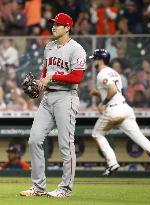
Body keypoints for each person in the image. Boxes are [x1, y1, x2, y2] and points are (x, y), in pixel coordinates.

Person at [20, 12, 86, 198]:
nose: (53, 26)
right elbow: (45, 70)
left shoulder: (77, 49)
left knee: (66, 144)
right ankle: (38, 187)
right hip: (48, 98)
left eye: (58, 24)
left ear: (67, 28)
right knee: (34, 139)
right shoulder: (49, 47)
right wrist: (41, 81)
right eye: (53, 24)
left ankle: (65, 188)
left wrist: (53, 76)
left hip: (66, 98)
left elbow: (77, 77)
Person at [89, 49, 150, 179]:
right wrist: (98, 93)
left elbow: (112, 90)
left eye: (95, 59)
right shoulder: (115, 73)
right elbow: (115, 91)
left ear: (100, 60)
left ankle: (112, 163)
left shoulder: (102, 73)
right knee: (138, 136)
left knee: (97, 134)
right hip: (125, 108)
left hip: (113, 110)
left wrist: (103, 103)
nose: (93, 61)